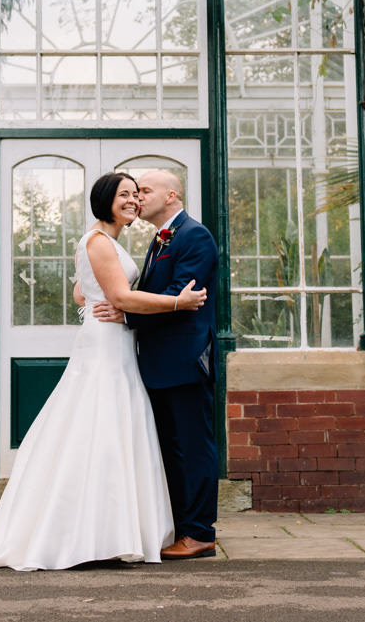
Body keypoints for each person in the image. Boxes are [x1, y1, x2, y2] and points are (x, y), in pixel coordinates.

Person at [0, 171, 207, 571]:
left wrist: (97, 306)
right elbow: (118, 295)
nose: (134, 200)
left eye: (137, 194)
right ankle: (88, 531)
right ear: (105, 200)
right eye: (125, 195)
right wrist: (177, 303)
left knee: (111, 432)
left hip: (116, 343)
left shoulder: (108, 241)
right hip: (106, 349)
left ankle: (110, 528)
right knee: (99, 430)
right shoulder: (99, 241)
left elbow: (82, 292)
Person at [93, 169, 220, 561]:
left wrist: (128, 314)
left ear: (171, 196)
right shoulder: (160, 239)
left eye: (145, 190)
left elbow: (183, 294)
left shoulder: (194, 236)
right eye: (133, 192)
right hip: (157, 362)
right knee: (173, 449)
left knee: (193, 447)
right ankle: (182, 527)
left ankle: (200, 533)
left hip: (184, 360)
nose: (137, 197)